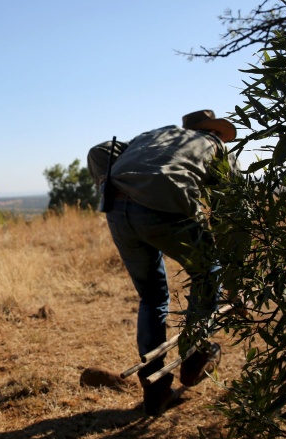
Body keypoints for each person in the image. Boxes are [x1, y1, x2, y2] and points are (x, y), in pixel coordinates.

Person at [87, 109, 239, 416]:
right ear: (215, 132)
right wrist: (235, 286)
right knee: (208, 270)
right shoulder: (215, 146)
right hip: (162, 208)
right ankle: (195, 352)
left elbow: (99, 151)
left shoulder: (156, 136)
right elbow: (235, 211)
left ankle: (156, 393)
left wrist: (111, 185)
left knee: (153, 297)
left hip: (117, 208)